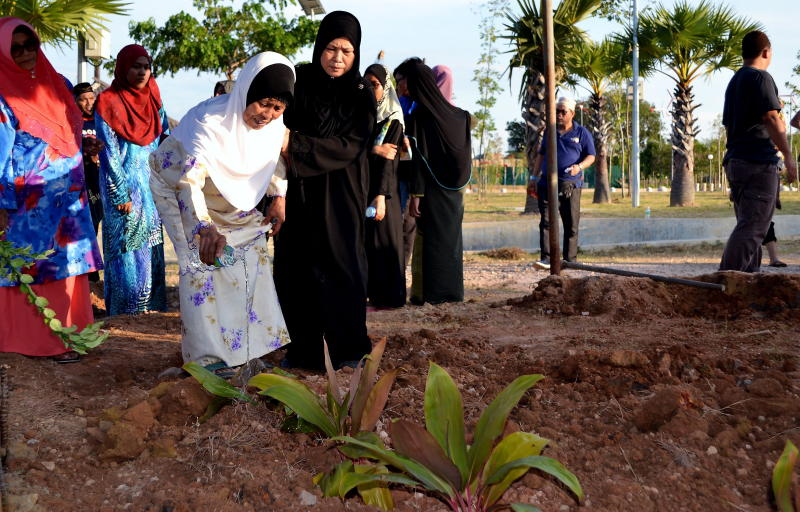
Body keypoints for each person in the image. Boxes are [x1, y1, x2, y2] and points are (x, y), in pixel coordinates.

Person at [149, 52, 293, 376]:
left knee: (252, 252)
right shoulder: (209, 123)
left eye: (277, 108)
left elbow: (271, 161)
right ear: (245, 92)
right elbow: (189, 183)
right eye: (262, 104)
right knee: (200, 264)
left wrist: (278, 197)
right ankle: (207, 363)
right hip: (178, 189)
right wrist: (203, 229)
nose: (267, 115)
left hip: (226, 198)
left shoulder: (274, 126)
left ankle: (245, 350)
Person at [274, 11, 376, 370]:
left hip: (342, 194)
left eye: (346, 51)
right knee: (295, 268)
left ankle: (349, 349)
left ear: (356, 54)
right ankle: (303, 350)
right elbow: (278, 128)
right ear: (320, 46)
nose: (337, 58)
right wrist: (277, 192)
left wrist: (297, 145)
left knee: (342, 266)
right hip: (299, 192)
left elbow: (352, 144)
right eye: (332, 48)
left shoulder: (362, 93)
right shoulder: (300, 81)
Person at [0, 18, 102, 362]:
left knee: (69, 264)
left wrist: (82, 149)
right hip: (29, 199)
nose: (26, 53)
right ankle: (42, 342)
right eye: (16, 48)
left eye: (30, 44)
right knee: (36, 267)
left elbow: (68, 128)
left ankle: (71, 338)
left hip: (69, 193)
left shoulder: (54, 81)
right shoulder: (1, 93)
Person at [95, 45, 169, 315]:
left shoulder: (154, 98)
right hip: (124, 189)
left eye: (145, 66)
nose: (141, 72)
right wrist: (120, 195)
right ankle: (126, 311)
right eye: (135, 66)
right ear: (122, 67)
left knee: (151, 243)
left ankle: (152, 307)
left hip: (151, 187)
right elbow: (109, 154)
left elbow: (165, 140)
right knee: (126, 249)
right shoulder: (108, 101)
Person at [394, 59, 471, 305]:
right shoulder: (461, 116)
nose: (402, 87)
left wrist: (417, 193)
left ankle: (431, 294)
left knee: (431, 240)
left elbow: (419, 158)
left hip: (431, 189)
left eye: (403, 81)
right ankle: (452, 293)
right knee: (451, 241)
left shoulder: (420, 117)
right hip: (456, 189)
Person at [719, 30, 797, 272]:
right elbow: (772, 118)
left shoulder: (736, 81)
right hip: (757, 162)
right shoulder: (760, 78)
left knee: (750, 226)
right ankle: (726, 283)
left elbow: (731, 125)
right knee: (753, 228)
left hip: (737, 161)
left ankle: (747, 284)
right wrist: (789, 157)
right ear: (766, 52)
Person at [529, 97, 596, 269]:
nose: (559, 114)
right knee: (546, 222)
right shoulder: (549, 132)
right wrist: (534, 178)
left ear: (572, 114)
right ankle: (546, 258)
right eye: (556, 111)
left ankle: (569, 260)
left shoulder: (582, 133)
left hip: (570, 185)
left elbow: (591, 156)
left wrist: (579, 167)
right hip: (546, 184)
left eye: (563, 112)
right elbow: (541, 155)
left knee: (571, 223)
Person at [363, 63, 405, 309]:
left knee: (384, 241)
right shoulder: (367, 116)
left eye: (375, 84)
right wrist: (372, 148)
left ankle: (390, 298)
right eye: (367, 84)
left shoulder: (392, 120)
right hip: (365, 186)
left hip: (382, 190)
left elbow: (387, 163)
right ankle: (374, 294)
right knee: (370, 243)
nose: (371, 89)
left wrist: (380, 196)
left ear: (385, 87)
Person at [73, 82, 104, 281]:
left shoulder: (99, 122)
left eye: (91, 98)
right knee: (83, 224)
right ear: (75, 101)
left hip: (97, 179)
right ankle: (87, 273)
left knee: (95, 222)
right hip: (79, 180)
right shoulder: (74, 122)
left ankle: (93, 272)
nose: (89, 103)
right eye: (84, 99)